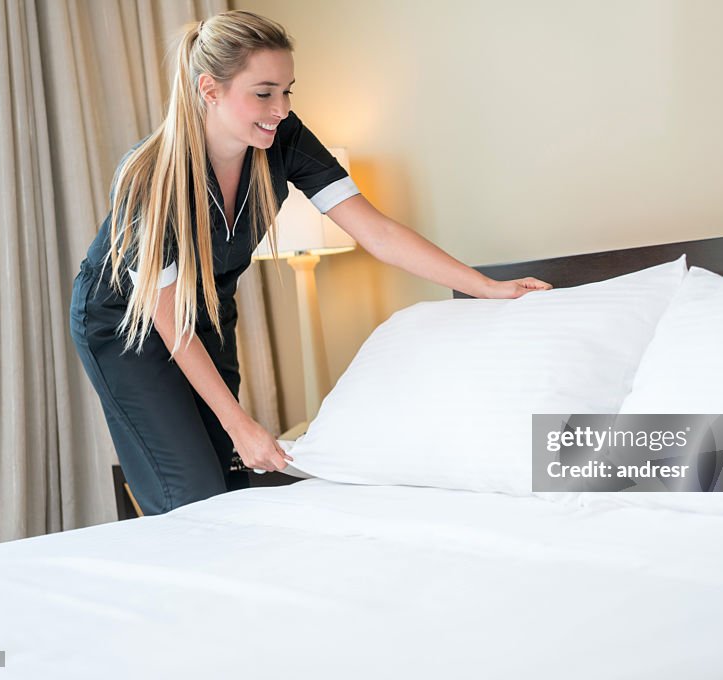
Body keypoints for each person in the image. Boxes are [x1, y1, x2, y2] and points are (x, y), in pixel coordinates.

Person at [68, 10, 552, 516]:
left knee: (232, 487)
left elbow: (378, 232)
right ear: (210, 89)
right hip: (127, 324)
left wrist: (486, 286)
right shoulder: (150, 177)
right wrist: (241, 424)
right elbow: (170, 321)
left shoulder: (284, 140)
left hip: (207, 309)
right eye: (264, 92)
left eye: (287, 90)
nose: (280, 108)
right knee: (193, 498)